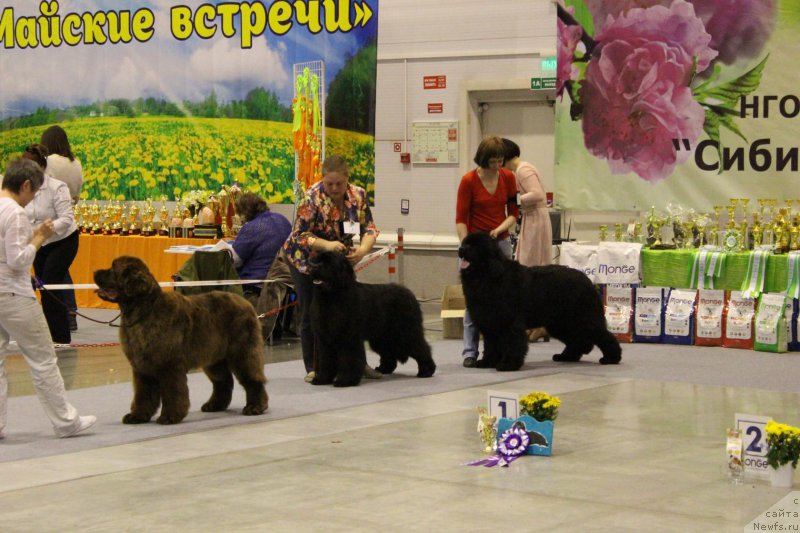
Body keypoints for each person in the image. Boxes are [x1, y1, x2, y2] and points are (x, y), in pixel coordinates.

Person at [0, 157, 96, 439]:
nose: (31, 200)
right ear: (26, 185)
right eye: (33, 193)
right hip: (15, 295)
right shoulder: (15, 212)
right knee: (43, 359)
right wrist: (40, 236)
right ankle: (66, 422)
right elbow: (19, 260)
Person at [284, 155, 380, 383]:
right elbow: (300, 235)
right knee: (312, 314)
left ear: (347, 178)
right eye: (329, 184)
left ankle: (358, 364)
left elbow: (370, 229)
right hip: (307, 261)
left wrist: (363, 250)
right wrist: (327, 244)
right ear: (322, 179)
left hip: (339, 263)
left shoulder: (359, 195)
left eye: (339, 183)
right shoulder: (310, 198)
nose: (334, 188)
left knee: (350, 313)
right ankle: (316, 367)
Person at [456, 136, 519, 367]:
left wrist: (500, 229)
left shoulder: (509, 178)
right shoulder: (468, 180)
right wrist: (466, 247)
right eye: (492, 161)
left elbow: (513, 211)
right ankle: (470, 352)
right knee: (474, 303)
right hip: (474, 246)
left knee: (503, 302)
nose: (497, 165)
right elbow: (461, 219)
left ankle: (500, 351)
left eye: (500, 160)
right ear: (483, 159)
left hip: (499, 244)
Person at [22, 144, 79, 345]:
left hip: (63, 241)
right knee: (43, 286)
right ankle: (50, 336)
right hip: (40, 244)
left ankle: (61, 339)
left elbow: (66, 219)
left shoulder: (57, 187)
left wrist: (46, 229)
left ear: (40, 167)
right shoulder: (23, 188)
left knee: (50, 286)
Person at [502, 138, 552, 343]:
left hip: (535, 220)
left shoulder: (523, 170)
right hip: (531, 219)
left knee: (531, 268)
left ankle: (540, 324)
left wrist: (513, 200)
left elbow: (538, 194)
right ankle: (537, 324)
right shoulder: (522, 169)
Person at [41, 125, 83, 331]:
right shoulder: (76, 163)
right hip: (68, 219)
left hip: (49, 221)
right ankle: (70, 311)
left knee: (53, 275)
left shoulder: (48, 162)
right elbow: (78, 191)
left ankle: (65, 314)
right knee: (59, 270)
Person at [231, 192, 292, 300]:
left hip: (256, 288)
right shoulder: (283, 219)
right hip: (285, 286)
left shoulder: (251, 227)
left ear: (245, 212)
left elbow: (235, 260)